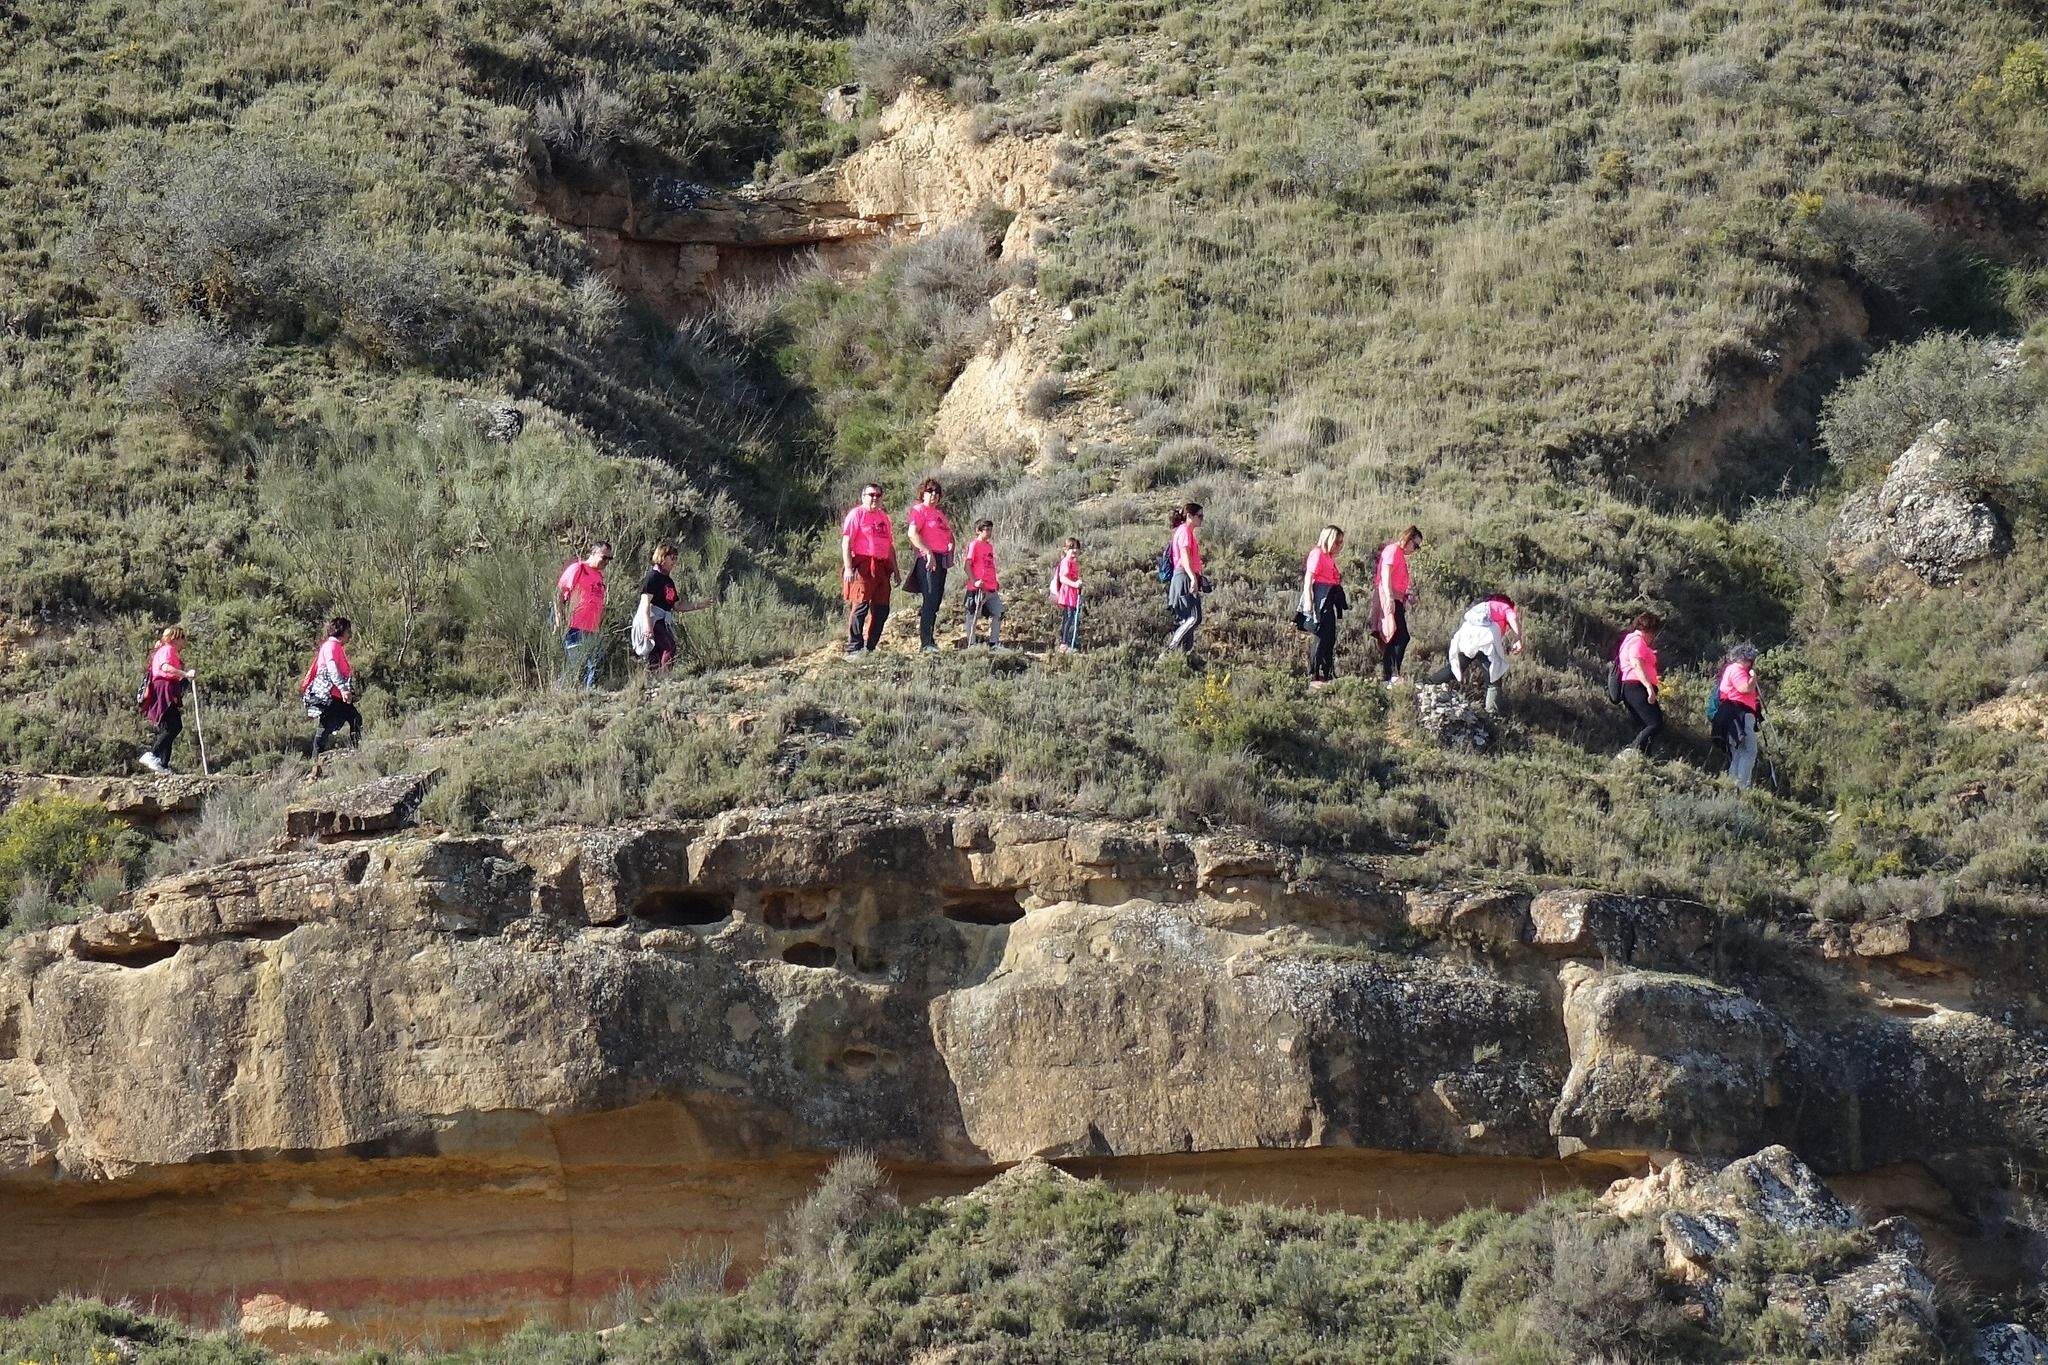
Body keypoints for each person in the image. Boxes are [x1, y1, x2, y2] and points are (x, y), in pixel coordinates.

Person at [1426, 593, 1522, 713]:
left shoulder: (1480, 608)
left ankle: (1427, 683)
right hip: (1486, 642)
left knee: (1454, 668)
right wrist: (1518, 638)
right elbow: (1512, 618)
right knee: (1493, 678)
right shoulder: (1504, 606)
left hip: (1466, 639)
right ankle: (1492, 713)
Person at [631, 542, 712, 676]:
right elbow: (645, 603)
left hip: (662, 619)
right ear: (662, 557)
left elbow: (677, 605)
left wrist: (698, 605)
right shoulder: (653, 577)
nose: (674, 561)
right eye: (672, 557)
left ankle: (654, 680)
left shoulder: (668, 581)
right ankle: (665, 678)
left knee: (657, 652)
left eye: (676, 558)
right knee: (669, 646)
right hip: (652, 618)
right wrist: (647, 625)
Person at [841, 483, 897, 654]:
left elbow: (890, 546)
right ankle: (854, 647)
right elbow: (846, 542)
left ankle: (870, 647)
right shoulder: (856, 514)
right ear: (863, 496)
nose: (875, 498)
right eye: (871, 494)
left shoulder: (884, 518)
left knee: (882, 609)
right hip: (863, 565)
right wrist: (848, 568)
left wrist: (896, 570)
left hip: (881, 567)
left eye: (878, 495)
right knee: (860, 606)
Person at [301, 617, 361, 761]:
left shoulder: (334, 646)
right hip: (331, 695)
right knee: (329, 726)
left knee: (353, 719)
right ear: (342, 631)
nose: (350, 634)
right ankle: (317, 760)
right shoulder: (331, 646)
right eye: (348, 630)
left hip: (336, 695)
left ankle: (354, 753)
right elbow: (332, 668)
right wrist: (343, 689)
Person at [906, 478, 955, 654]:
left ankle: (930, 640)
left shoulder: (939, 514)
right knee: (930, 599)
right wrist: (927, 552)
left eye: (936, 492)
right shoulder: (919, 510)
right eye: (930, 491)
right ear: (923, 493)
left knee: (936, 601)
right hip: (928, 559)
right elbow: (912, 533)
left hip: (941, 559)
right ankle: (926, 642)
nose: (933, 495)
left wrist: (951, 547)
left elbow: (948, 534)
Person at [554, 541, 612, 689]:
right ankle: (561, 692)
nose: (606, 562)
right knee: (576, 665)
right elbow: (559, 593)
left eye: (609, 559)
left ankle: (589, 693)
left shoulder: (599, 576)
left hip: (593, 628)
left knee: (594, 663)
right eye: (604, 557)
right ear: (594, 553)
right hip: (575, 626)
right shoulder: (578, 569)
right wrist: (559, 617)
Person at [136, 625, 194, 773]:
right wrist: (185, 674)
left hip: (163, 688)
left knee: (168, 727)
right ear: (175, 638)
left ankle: (163, 765)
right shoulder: (169, 649)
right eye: (182, 637)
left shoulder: (163, 650)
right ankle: (152, 755)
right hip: (164, 688)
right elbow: (165, 667)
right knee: (175, 725)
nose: (184, 641)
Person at [1374, 525, 1422, 685]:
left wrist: (1406, 596)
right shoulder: (1393, 550)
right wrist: (1389, 598)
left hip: (1397, 597)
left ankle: (1389, 675)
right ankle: (1392, 673)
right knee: (1400, 636)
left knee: (1394, 636)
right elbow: (1385, 574)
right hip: (1391, 597)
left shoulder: (1399, 554)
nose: (1415, 550)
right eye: (1415, 545)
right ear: (1408, 539)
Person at [1300, 526, 1347, 686]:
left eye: (1341, 542)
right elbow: (1309, 578)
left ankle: (1327, 673)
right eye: (1337, 542)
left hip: (1329, 599)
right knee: (1321, 638)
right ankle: (1314, 675)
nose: (1339, 546)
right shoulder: (1318, 553)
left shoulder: (1329, 557)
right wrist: (1308, 601)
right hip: (1320, 599)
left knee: (1330, 638)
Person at [1714, 643, 1764, 789]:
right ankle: (1742, 786)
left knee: (1737, 751)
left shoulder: (1730, 669)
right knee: (1749, 750)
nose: (1751, 663)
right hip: (1740, 715)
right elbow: (1745, 688)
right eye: (1750, 659)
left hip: (1732, 715)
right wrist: (1753, 677)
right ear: (1745, 659)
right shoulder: (1737, 670)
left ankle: (1732, 785)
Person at [1618, 611, 1665, 756]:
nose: (1653, 637)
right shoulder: (1637, 642)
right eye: (1653, 633)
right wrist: (1649, 687)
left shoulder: (1631, 641)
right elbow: (1636, 664)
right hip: (1636, 686)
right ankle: (1630, 752)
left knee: (1646, 724)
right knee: (1655, 723)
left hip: (1633, 687)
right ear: (1648, 630)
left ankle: (1645, 756)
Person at [1165, 503, 1208, 659]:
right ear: (1189, 516)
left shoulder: (1186, 532)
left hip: (1185, 577)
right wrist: (1192, 578)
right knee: (1193, 618)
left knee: (1188, 619)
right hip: (1184, 577)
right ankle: (1170, 650)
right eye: (1199, 516)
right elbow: (1184, 557)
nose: (1202, 519)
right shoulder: (1184, 532)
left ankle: (1185, 657)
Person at [963, 519, 1005, 648]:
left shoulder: (989, 547)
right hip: (977, 588)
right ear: (978, 531)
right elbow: (967, 565)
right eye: (986, 529)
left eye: (990, 529)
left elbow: (990, 565)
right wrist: (974, 581)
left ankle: (993, 643)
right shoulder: (974, 545)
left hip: (991, 588)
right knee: (973, 615)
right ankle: (972, 644)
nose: (989, 532)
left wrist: (995, 581)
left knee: (998, 612)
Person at [1051, 537, 1083, 652]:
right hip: (1067, 594)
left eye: (1076, 548)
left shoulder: (1074, 563)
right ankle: (1064, 644)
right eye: (1071, 548)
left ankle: (1070, 641)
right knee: (1068, 617)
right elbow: (1063, 578)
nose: (1074, 550)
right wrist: (1075, 584)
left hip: (1073, 595)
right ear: (1065, 549)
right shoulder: (1065, 562)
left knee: (1073, 618)